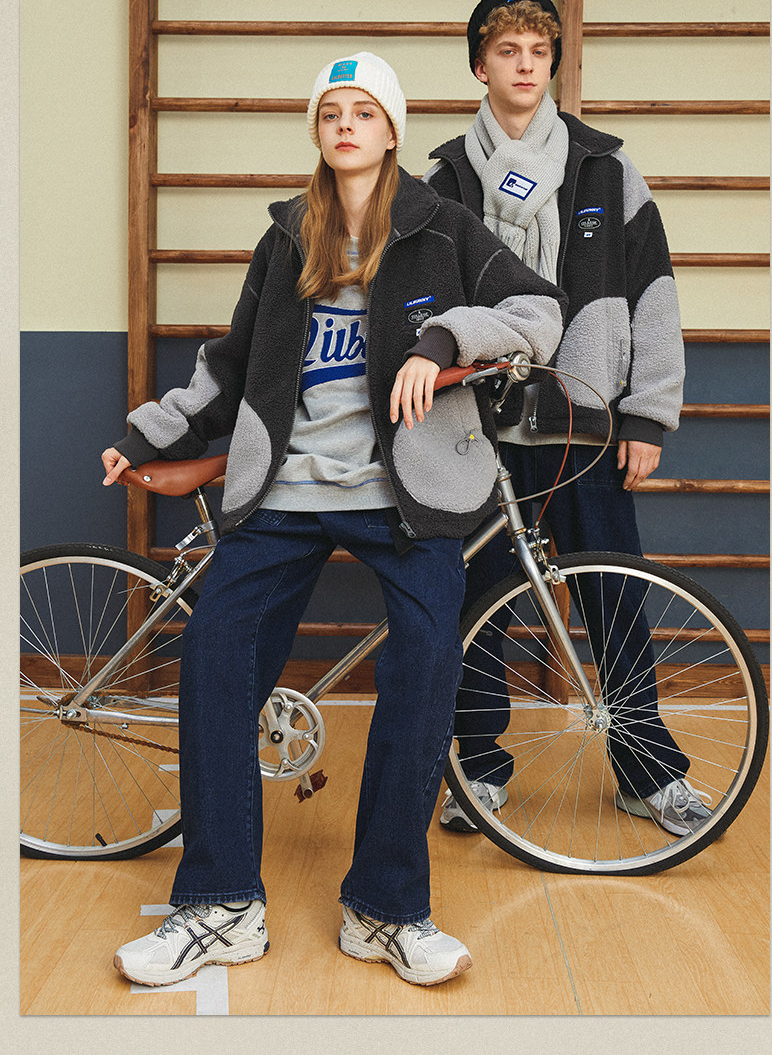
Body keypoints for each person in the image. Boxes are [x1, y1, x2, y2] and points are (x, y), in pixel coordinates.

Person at [101, 52, 566, 988]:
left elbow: (538, 311)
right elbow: (231, 366)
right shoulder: (287, 240)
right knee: (214, 658)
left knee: (426, 668)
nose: (346, 125)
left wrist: (444, 340)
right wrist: (149, 433)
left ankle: (385, 910)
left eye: (363, 112)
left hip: (407, 498)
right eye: (330, 113)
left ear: (391, 132)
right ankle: (220, 906)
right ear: (318, 132)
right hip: (284, 494)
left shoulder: (443, 228)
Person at [424, 0, 713, 837]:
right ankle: (476, 772)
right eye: (506, 51)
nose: (524, 66)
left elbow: (654, 295)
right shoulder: (444, 179)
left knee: (613, 596)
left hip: (583, 422)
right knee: (478, 602)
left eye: (538, 52)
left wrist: (648, 416)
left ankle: (647, 774)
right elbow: (425, 302)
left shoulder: (606, 168)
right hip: (475, 426)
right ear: (480, 66)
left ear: (552, 63)